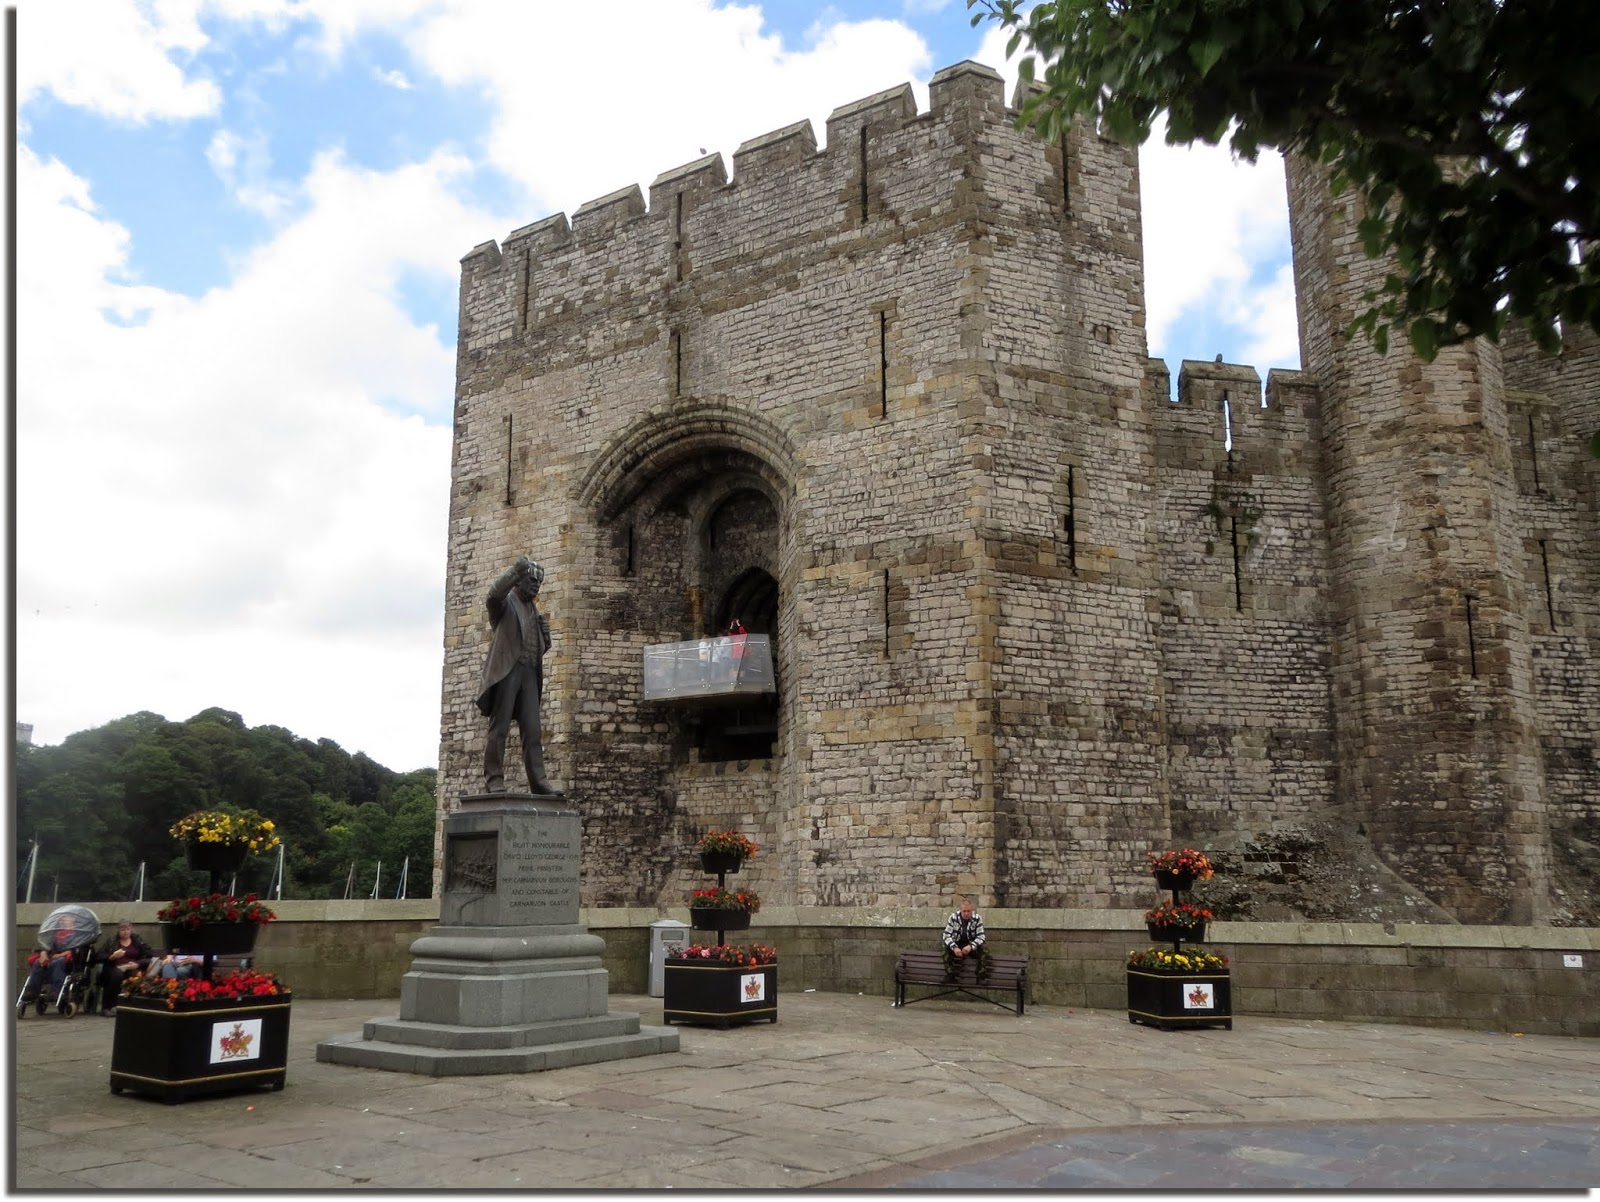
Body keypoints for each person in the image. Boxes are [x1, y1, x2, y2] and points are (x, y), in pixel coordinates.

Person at [476, 556, 562, 796]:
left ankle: (539, 782)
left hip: (528, 673)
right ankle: (494, 780)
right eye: (532, 580)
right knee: (499, 728)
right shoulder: (505, 604)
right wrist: (514, 570)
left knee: (533, 732)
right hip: (508, 671)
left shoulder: (533, 610)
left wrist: (546, 641)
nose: (536, 586)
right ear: (520, 580)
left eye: (539, 582)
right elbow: (492, 596)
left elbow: (533, 645)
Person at [97, 922, 154, 1015]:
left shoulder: (138, 941)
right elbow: (99, 955)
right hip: (113, 967)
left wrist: (138, 963)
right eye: (123, 930)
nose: (126, 932)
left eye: (128, 929)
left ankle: (132, 1006)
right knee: (116, 975)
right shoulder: (111, 942)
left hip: (131, 967)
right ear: (118, 931)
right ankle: (109, 1006)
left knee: (135, 974)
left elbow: (149, 956)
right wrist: (111, 957)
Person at [941, 897, 990, 983]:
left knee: (984, 950)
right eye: (964, 911)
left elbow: (981, 936)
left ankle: (980, 976)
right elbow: (946, 935)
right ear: (960, 910)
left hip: (971, 945)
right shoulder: (953, 918)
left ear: (972, 910)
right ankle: (950, 974)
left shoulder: (977, 919)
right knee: (945, 947)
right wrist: (954, 947)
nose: (966, 913)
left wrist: (971, 946)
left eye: (968, 911)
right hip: (957, 943)